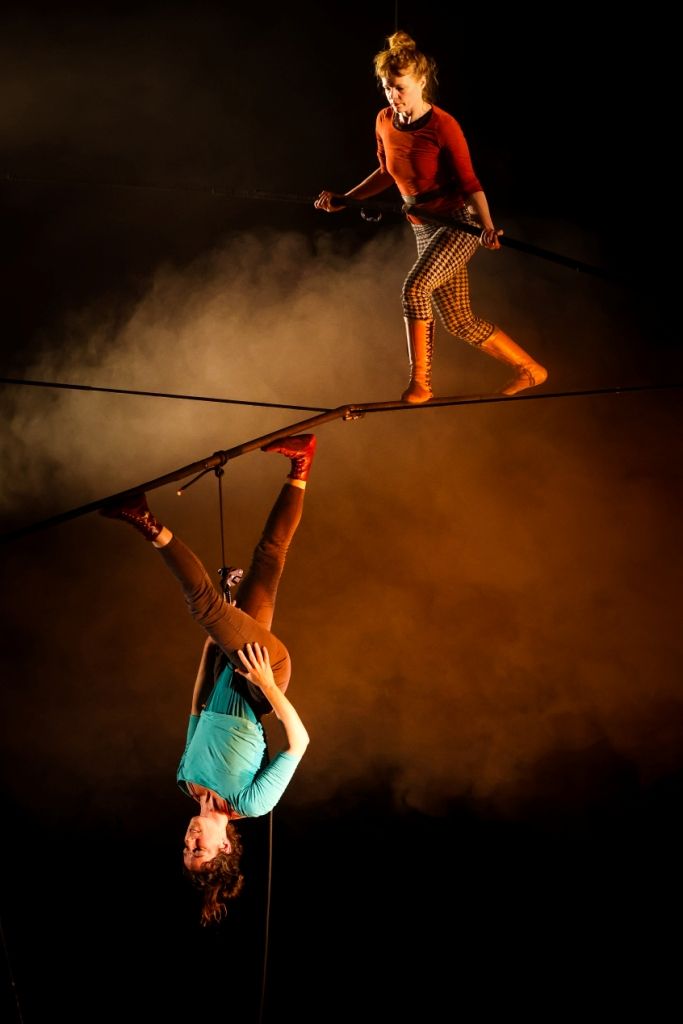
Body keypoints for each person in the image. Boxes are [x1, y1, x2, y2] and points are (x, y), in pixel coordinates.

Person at [100, 433, 315, 925]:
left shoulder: (185, 782)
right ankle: (145, 519)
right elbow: (299, 743)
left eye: (185, 847)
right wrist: (269, 682)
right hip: (263, 672)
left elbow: (197, 709)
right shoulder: (250, 804)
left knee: (270, 558)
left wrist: (207, 653)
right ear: (223, 847)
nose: (190, 839)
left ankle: (302, 462)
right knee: (205, 605)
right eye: (199, 848)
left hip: (227, 666)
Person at [314, 30, 548, 404]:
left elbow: (471, 183)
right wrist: (347, 199)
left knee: (414, 288)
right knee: (459, 320)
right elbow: (387, 173)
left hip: (458, 223)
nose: (393, 96)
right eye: (388, 87)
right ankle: (531, 370)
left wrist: (486, 229)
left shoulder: (443, 126)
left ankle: (421, 383)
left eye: (400, 88)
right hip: (423, 228)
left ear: (421, 82)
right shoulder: (383, 121)